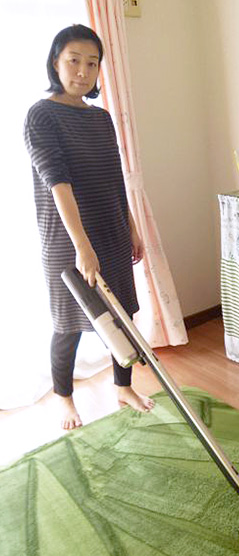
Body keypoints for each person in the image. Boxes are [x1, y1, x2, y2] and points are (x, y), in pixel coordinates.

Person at [24, 24, 155, 430]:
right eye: (74, 61)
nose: (83, 71)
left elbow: (115, 180)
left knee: (121, 317)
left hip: (111, 232)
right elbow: (57, 183)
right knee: (69, 326)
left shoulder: (101, 119)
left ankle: (123, 388)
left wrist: (131, 227)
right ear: (55, 62)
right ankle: (64, 399)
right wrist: (82, 245)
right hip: (67, 240)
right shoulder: (41, 115)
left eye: (92, 63)